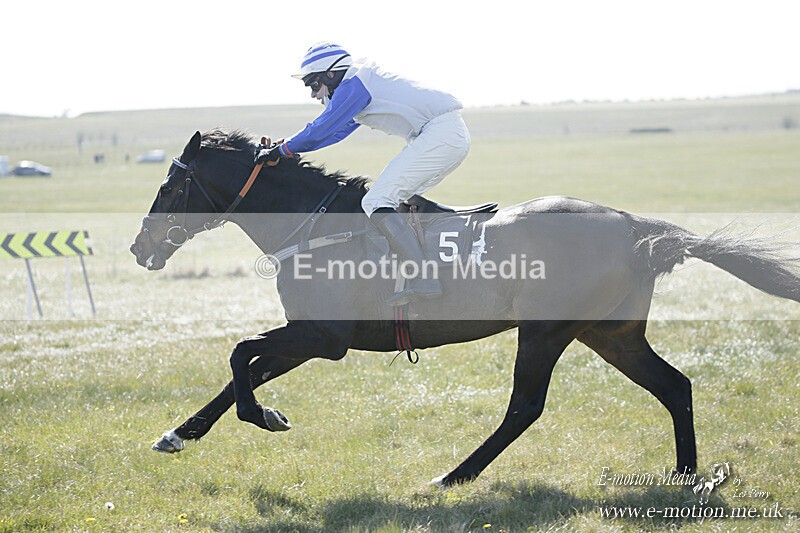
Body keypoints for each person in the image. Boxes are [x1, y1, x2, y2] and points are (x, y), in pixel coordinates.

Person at [256, 42, 470, 306]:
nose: (313, 95)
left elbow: (322, 128)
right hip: (442, 135)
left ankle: (424, 277)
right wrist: (285, 148)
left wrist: (283, 150)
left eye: (313, 85)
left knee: (375, 201)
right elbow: (335, 132)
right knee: (392, 199)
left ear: (331, 74)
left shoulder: (353, 85)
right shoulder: (356, 85)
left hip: (440, 135)